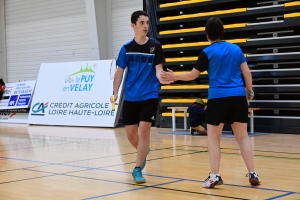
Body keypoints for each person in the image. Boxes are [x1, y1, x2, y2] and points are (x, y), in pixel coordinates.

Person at [161, 17, 260, 188]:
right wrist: (249, 92)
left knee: (214, 138)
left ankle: (215, 176)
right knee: (243, 137)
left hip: (217, 98)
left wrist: (174, 76)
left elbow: (193, 75)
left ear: (207, 35)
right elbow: (247, 73)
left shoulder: (207, 52)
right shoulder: (236, 49)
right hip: (238, 97)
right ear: (223, 32)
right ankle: (252, 172)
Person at [110, 10, 171, 184]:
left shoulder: (155, 46)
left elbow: (159, 69)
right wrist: (115, 93)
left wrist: (163, 78)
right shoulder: (126, 49)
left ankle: (137, 168)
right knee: (130, 134)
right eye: (142, 23)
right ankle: (143, 151)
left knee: (144, 131)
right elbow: (119, 72)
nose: (146, 26)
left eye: (147, 23)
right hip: (130, 96)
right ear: (133, 26)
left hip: (149, 95)